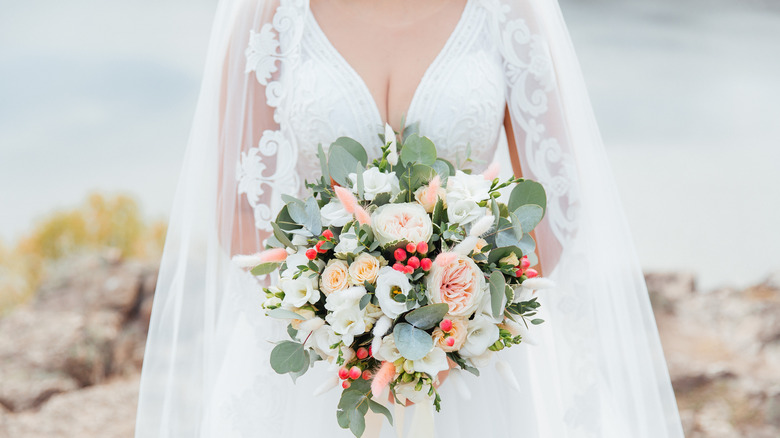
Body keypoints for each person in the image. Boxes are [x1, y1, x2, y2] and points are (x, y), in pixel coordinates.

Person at [135, 0, 685, 436]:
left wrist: (460, 324)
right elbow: (239, 205)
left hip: (478, 364)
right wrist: (331, 320)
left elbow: (555, 205)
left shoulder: (507, 13)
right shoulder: (274, 15)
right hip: (316, 356)